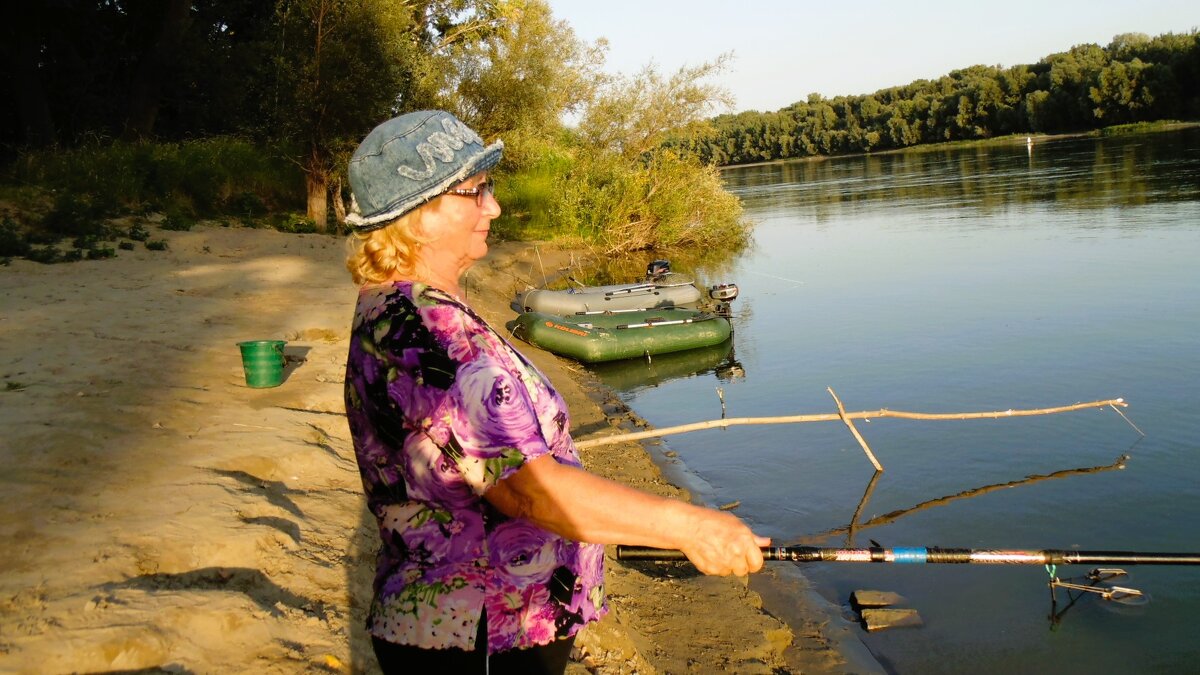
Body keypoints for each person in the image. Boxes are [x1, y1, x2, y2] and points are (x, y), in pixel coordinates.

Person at [342, 110, 769, 674]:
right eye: (476, 192)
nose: (493, 207)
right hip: (482, 632)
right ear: (420, 219)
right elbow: (528, 493)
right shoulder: (427, 332)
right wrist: (688, 525)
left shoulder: (408, 309)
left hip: (488, 624)